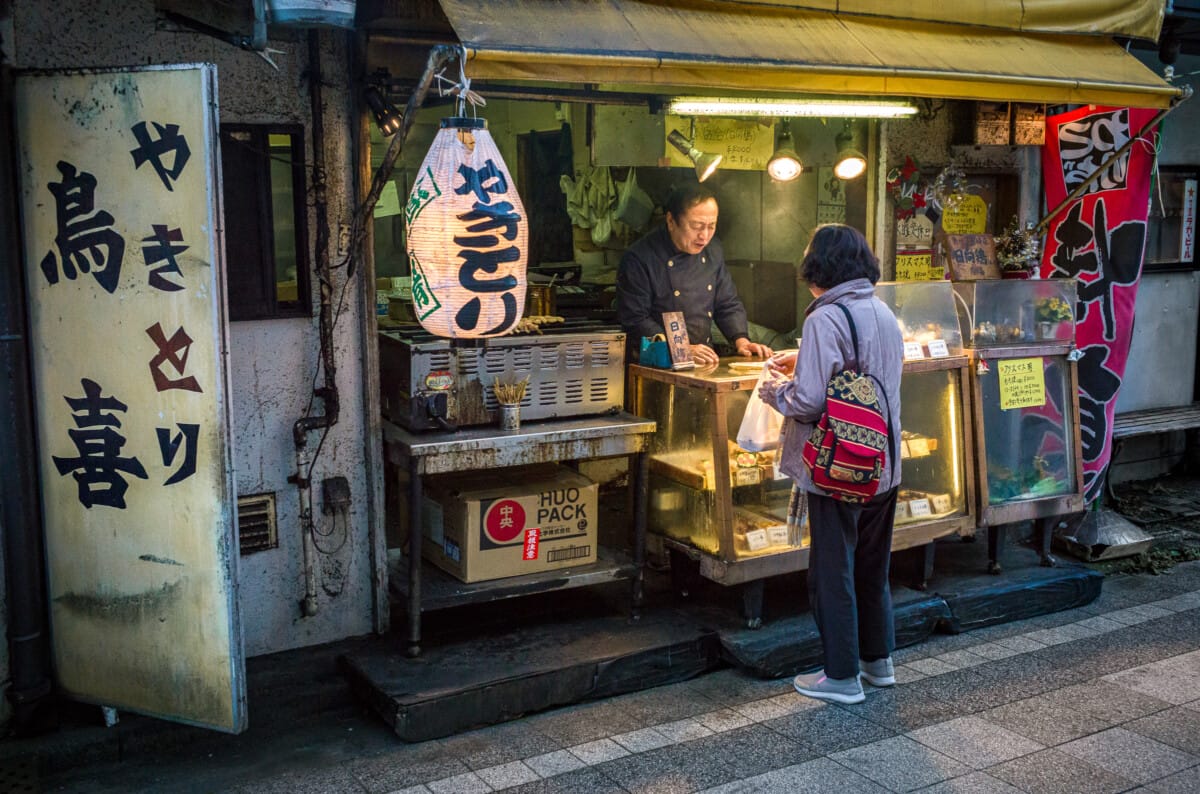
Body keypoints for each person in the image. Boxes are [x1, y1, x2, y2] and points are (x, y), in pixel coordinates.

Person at [758, 224, 904, 705]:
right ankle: (877, 662)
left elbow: (809, 401)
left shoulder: (825, 318)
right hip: (882, 464)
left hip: (837, 469)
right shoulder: (881, 311)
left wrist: (772, 392)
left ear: (817, 267)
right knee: (871, 567)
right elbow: (864, 372)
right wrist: (805, 355)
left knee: (832, 570)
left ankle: (841, 676)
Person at [617, 183, 772, 366]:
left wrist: (741, 340)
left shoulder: (713, 250)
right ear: (671, 221)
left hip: (703, 361)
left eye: (711, 226)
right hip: (657, 363)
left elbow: (727, 303)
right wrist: (680, 348)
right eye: (697, 226)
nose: (704, 236)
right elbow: (635, 318)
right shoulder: (640, 258)